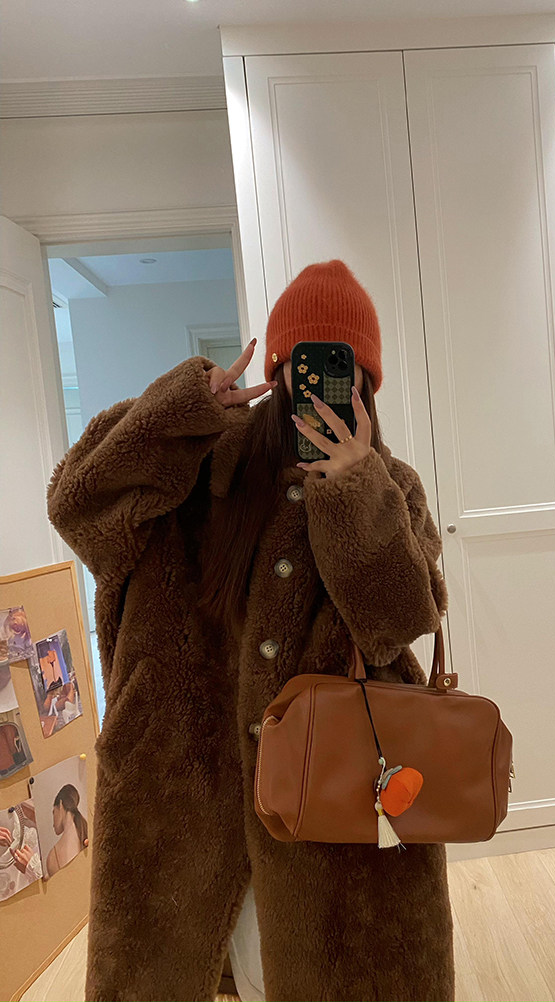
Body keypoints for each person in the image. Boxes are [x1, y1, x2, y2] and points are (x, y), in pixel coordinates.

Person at [46, 259, 454, 1002]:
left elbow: (399, 623)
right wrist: (177, 414)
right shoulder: (199, 467)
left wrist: (352, 489)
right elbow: (78, 504)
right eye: (307, 363)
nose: (324, 385)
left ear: (366, 383)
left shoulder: (389, 487)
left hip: (330, 817)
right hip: (186, 798)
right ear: (279, 367)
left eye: (345, 370)